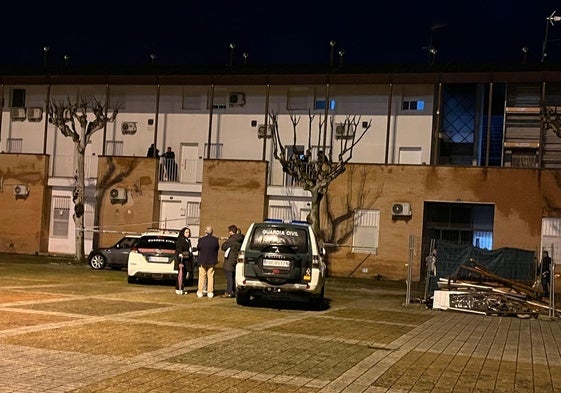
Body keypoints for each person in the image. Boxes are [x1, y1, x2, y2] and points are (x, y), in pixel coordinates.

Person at [220, 224, 244, 298]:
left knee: (229, 277)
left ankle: (229, 292)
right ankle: (234, 291)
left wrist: (228, 240)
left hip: (230, 260)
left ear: (231, 232)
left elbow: (223, 247)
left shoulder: (232, 239)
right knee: (234, 276)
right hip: (236, 259)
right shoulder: (241, 239)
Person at [196, 225, 219, 298]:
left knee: (202, 276)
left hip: (203, 260)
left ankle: (200, 291)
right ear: (212, 232)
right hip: (212, 260)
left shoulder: (201, 239)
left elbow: (198, 247)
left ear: (206, 231)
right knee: (210, 276)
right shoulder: (215, 240)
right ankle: (210, 292)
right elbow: (217, 248)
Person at [174, 227, 193, 295]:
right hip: (182, 260)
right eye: (186, 232)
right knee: (181, 274)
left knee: (185, 274)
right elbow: (178, 248)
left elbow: (190, 249)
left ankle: (182, 288)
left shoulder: (188, 240)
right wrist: (180, 253)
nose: (188, 234)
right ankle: (178, 288)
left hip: (187, 259)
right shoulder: (180, 240)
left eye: (188, 232)